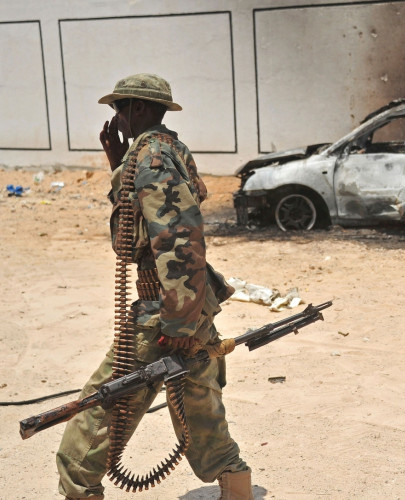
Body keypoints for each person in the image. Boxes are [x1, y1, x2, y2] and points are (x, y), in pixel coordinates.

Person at [55, 73, 252, 500]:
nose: (116, 120)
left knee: (103, 406)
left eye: (119, 110)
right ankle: (236, 485)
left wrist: (177, 326)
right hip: (186, 305)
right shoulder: (162, 151)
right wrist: (117, 166)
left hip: (164, 306)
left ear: (139, 109)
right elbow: (140, 220)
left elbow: (178, 240)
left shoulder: (152, 159)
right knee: (200, 404)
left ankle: (78, 489)